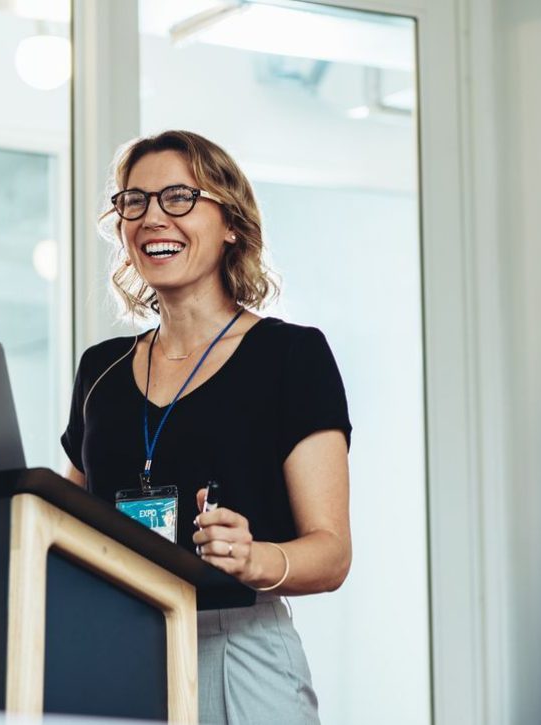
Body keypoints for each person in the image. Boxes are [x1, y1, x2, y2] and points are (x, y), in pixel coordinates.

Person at [61, 130, 352, 725]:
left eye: (178, 197)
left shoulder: (290, 355)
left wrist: (256, 558)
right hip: (117, 648)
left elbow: (332, 553)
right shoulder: (101, 369)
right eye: (132, 202)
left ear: (231, 224)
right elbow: (66, 522)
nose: (150, 218)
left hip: (235, 646)